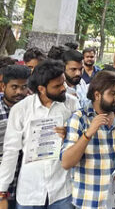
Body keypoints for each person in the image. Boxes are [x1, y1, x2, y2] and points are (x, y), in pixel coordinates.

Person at [0, 59, 79, 209]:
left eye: (63, 83)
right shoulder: (21, 109)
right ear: (42, 89)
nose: (63, 88)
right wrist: (2, 190)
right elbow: (11, 151)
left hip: (62, 189)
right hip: (30, 191)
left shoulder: (72, 104)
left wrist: (69, 135)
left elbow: (81, 141)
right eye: (57, 86)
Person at [61, 70, 115, 208]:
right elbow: (66, 162)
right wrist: (88, 133)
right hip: (88, 202)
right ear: (97, 95)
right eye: (112, 93)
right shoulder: (79, 119)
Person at [0, 65, 30, 209]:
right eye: (14, 87)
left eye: (24, 87)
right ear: (3, 86)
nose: (19, 92)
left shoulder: (32, 109)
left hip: (24, 187)